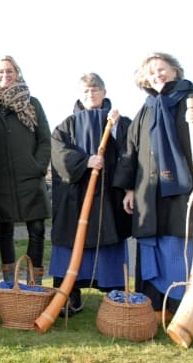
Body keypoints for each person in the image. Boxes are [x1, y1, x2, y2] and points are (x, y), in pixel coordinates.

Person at [113, 52, 193, 323]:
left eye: (162, 69)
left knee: (185, 247)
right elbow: (130, 150)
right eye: (152, 71)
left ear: (175, 72)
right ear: (144, 78)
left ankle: (192, 309)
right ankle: (156, 307)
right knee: (152, 245)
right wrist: (129, 189)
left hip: (184, 194)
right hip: (149, 194)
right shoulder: (146, 109)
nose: (157, 74)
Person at [49, 73, 132, 316]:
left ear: (104, 92)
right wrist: (85, 161)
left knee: (110, 243)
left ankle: (114, 296)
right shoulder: (66, 125)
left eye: (95, 90)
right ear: (79, 94)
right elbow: (58, 153)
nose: (90, 95)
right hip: (76, 198)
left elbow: (130, 149)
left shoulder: (120, 123)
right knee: (71, 242)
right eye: (85, 91)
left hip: (109, 198)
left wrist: (115, 128)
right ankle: (69, 294)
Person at [0, 55, 50, 287]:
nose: (5, 75)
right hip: (1, 180)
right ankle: (9, 282)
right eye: (1, 72)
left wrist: (38, 166)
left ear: (17, 73)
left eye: (10, 71)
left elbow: (44, 140)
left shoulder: (32, 103)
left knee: (37, 229)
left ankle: (35, 281)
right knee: (5, 230)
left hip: (30, 177)